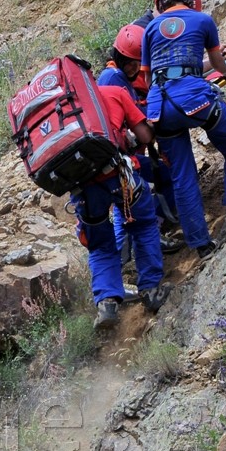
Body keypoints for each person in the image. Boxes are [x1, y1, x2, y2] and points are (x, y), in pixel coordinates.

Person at [142, 0, 226, 259]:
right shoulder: (202, 21)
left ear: (161, 2)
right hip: (195, 102)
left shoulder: (151, 29)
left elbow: (148, 76)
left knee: (183, 177)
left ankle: (201, 245)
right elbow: (217, 63)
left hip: (160, 109)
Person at [72, 61, 169, 330]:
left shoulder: (68, 111)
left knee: (100, 244)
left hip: (83, 189)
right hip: (119, 177)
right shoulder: (114, 93)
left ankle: (107, 304)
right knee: (144, 225)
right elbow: (145, 135)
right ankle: (150, 290)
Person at [97, 24, 182, 254]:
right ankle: (146, 238)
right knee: (137, 192)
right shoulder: (112, 78)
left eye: (138, 63)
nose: (135, 69)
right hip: (117, 157)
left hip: (118, 156)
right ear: (120, 58)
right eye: (131, 64)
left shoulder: (120, 78)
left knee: (126, 200)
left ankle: (128, 252)